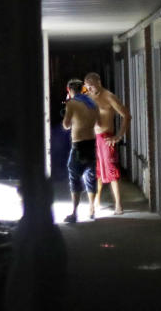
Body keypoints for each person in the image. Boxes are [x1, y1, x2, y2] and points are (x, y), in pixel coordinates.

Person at [84, 71, 130, 215]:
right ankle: (94, 203)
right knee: (93, 171)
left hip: (105, 137)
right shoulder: (86, 98)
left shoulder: (109, 97)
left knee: (112, 171)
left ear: (99, 83)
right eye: (87, 86)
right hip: (90, 137)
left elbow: (127, 116)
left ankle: (118, 205)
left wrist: (118, 136)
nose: (90, 89)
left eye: (92, 86)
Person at [62, 78, 99, 223]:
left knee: (74, 177)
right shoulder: (93, 104)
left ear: (70, 90)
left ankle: (74, 212)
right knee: (90, 177)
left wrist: (71, 119)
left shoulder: (71, 103)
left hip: (78, 145)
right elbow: (98, 123)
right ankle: (91, 209)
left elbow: (66, 125)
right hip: (91, 143)